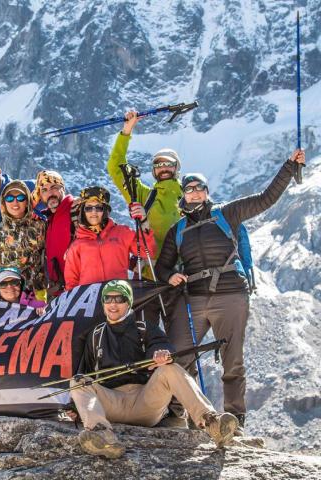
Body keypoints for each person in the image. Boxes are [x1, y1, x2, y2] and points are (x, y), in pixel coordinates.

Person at [154, 148, 306, 435]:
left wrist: (288, 166)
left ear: (207, 192)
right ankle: (179, 414)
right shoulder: (178, 229)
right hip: (194, 298)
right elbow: (162, 266)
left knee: (232, 360)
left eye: (200, 188)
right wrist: (171, 275)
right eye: (189, 189)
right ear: (183, 195)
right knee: (179, 355)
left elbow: (265, 199)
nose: (195, 193)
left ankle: (235, 420)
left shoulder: (228, 213)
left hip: (231, 295)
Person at [71, 280, 238, 459]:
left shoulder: (144, 328)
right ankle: (103, 437)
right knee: (77, 381)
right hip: (111, 403)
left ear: (128, 302)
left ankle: (212, 422)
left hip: (145, 403)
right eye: (108, 299)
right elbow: (85, 374)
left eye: (119, 299)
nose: (113, 304)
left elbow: (161, 345)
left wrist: (158, 355)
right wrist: (73, 407)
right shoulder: (95, 335)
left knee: (170, 368)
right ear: (103, 303)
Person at [107, 110, 183, 262]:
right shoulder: (144, 195)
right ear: (154, 171)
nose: (164, 168)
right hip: (153, 270)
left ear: (176, 168)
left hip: (188, 270)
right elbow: (116, 167)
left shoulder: (190, 193)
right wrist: (127, 130)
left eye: (168, 164)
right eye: (158, 165)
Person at [64, 186, 155, 290]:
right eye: (88, 208)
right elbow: (71, 282)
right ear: (82, 212)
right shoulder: (76, 245)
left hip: (119, 298)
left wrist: (144, 222)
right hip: (90, 302)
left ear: (105, 210)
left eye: (98, 207)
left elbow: (147, 251)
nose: (93, 212)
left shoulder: (122, 232)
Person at [0, 180, 47, 299]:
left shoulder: (40, 226)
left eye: (20, 197)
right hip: (7, 294)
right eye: (9, 198)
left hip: (35, 294)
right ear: (3, 202)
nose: (15, 202)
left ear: (27, 201)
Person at [32, 170, 79, 296]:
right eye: (44, 190)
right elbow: (20, 211)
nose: (50, 193)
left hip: (80, 290)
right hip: (58, 293)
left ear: (63, 189)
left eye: (54, 188)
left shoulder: (77, 209)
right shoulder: (48, 219)